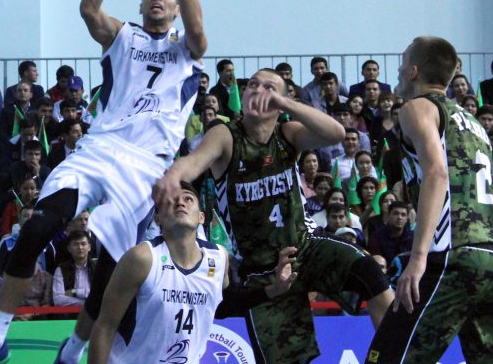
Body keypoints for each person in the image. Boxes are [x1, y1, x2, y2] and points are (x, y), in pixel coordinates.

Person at [0, 0, 207, 364]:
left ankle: (73, 348)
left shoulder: (185, 51)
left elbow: (199, 34)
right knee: (37, 226)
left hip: (147, 167)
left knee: (113, 274)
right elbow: (89, 11)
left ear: (175, 7)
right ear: (141, 5)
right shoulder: (125, 37)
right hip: (99, 149)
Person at [154, 68, 394, 364]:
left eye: (268, 86)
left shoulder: (287, 133)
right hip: (262, 270)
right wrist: (172, 177)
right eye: (253, 84)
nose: (258, 89)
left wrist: (287, 104)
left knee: (374, 277)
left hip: (306, 246)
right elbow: (193, 163)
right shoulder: (226, 135)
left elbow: (336, 133)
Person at [370, 36, 493, 364]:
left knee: (385, 358)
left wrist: (418, 257)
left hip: (455, 255)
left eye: (402, 60)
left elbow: (437, 173)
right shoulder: (476, 124)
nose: (396, 68)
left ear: (413, 71)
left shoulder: (417, 108)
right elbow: (491, 196)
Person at [89, 180, 293, 364]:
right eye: (172, 200)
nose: (181, 203)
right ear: (158, 218)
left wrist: (273, 288)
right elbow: (104, 326)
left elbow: (225, 305)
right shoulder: (142, 258)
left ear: (201, 217)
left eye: (188, 199)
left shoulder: (218, 258)